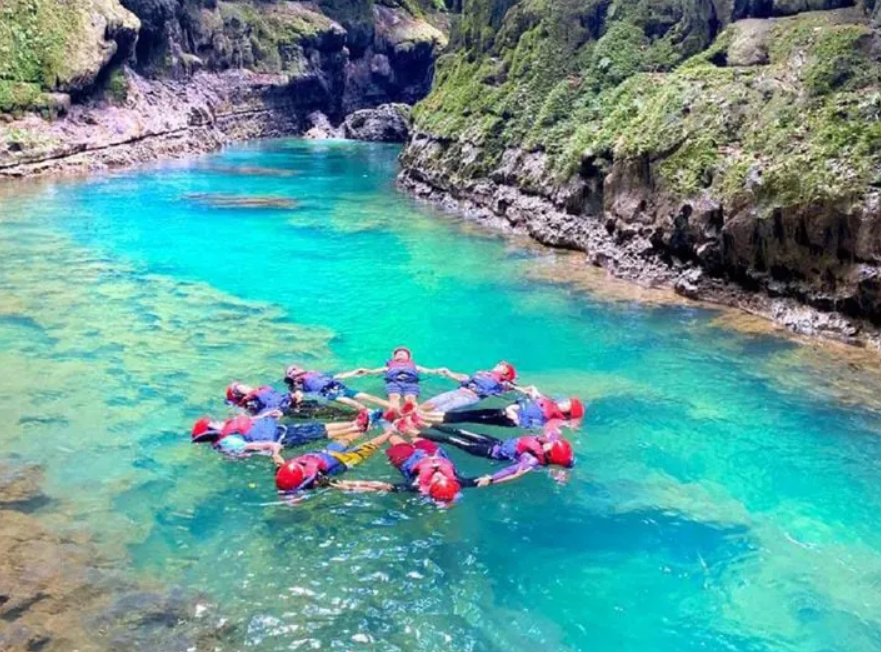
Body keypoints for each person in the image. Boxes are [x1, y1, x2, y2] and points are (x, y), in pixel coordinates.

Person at [331, 430, 490, 504]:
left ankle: (390, 428)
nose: (439, 475)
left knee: (398, 440)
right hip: (424, 455)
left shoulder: (416, 487)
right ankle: (396, 425)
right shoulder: (459, 482)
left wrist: (345, 485)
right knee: (411, 436)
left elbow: (378, 486)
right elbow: (487, 480)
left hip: (414, 457)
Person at [419, 424, 575, 486]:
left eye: (550, 446)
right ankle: (426, 424)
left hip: (488, 452)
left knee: (452, 440)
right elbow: (553, 432)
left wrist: (492, 478)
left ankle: (417, 433)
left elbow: (510, 471)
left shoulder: (531, 460)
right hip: (497, 442)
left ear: (549, 455)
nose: (549, 442)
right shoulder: (553, 448)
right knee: (462, 432)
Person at [190, 410, 370, 464]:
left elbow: (250, 422)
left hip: (278, 429)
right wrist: (272, 446)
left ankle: (354, 423)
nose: (217, 421)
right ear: (211, 431)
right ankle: (357, 428)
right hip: (280, 438)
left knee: (318, 428)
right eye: (213, 423)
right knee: (320, 433)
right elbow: (250, 447)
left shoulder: (228, 431)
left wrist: (267, 414)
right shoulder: (227, 441)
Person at [335, 347, 447, 411]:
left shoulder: (415, 366)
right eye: (398, 354)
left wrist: (439, 370)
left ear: (409, 358)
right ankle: (395, 413)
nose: (401, 355)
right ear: (394, 357)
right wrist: (365, 371)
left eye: (403, 354)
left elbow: (429, 371)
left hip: (411, 384)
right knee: (394, 398)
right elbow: (373, 371)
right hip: (393, 383)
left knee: (411, 399)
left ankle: (413, 415)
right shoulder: (388, 366)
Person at [275, 432, 391, 493]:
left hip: (341, 461)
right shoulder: (291, 465)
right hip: (324, 452)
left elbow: (347, 484)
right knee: (345, 440)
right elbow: (278, 461)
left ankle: (390, 433)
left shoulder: (315, 480)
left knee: (370, 445)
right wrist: (275, 452)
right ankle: (363, 427)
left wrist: (380, 487)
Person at [420, 392, 585, 428]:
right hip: (506, 410)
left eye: (567, 405)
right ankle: (427, 418)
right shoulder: (550, 403)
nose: (563, 403)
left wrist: (513, 414)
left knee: (468, 417)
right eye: (566, 401)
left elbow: (550, 429)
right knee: (468, 414)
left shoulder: (555, 419)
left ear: (567, 412)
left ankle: (426, 420)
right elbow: (534, 397)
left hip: (507, 418)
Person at [419, 361, 521, 413]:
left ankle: (413, 423)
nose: (499, 364)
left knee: (440, 410)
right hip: (458, 391)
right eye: (499, 363)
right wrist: (449, 373)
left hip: (470, 398)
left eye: (503, 365)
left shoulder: (502, 382)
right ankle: (409, 414)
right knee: (431, 403)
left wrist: (526, 390)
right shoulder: (482, 372)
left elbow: (513, 388)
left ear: (505, 372)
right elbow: (465, 378)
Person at [284, 365, 391, 411]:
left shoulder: (314, 373)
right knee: (352, 403)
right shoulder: (298, 382)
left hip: (339, 387)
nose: (293, 370)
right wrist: (297, 398)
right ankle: (373, 414)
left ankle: (393, 407)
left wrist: (354, 372)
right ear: (290, 376)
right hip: (329, 393)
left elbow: (337, 376)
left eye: (294, 368)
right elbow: (298, 392)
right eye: (290, 372)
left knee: (369, 397)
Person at [225, 382, 354, 420]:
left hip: (291, 408)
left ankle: (356, 418)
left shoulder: (251, 402)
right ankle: (356, 417)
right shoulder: (261, 392)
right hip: (292, 405)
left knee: (330, 414)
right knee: (332, 413)